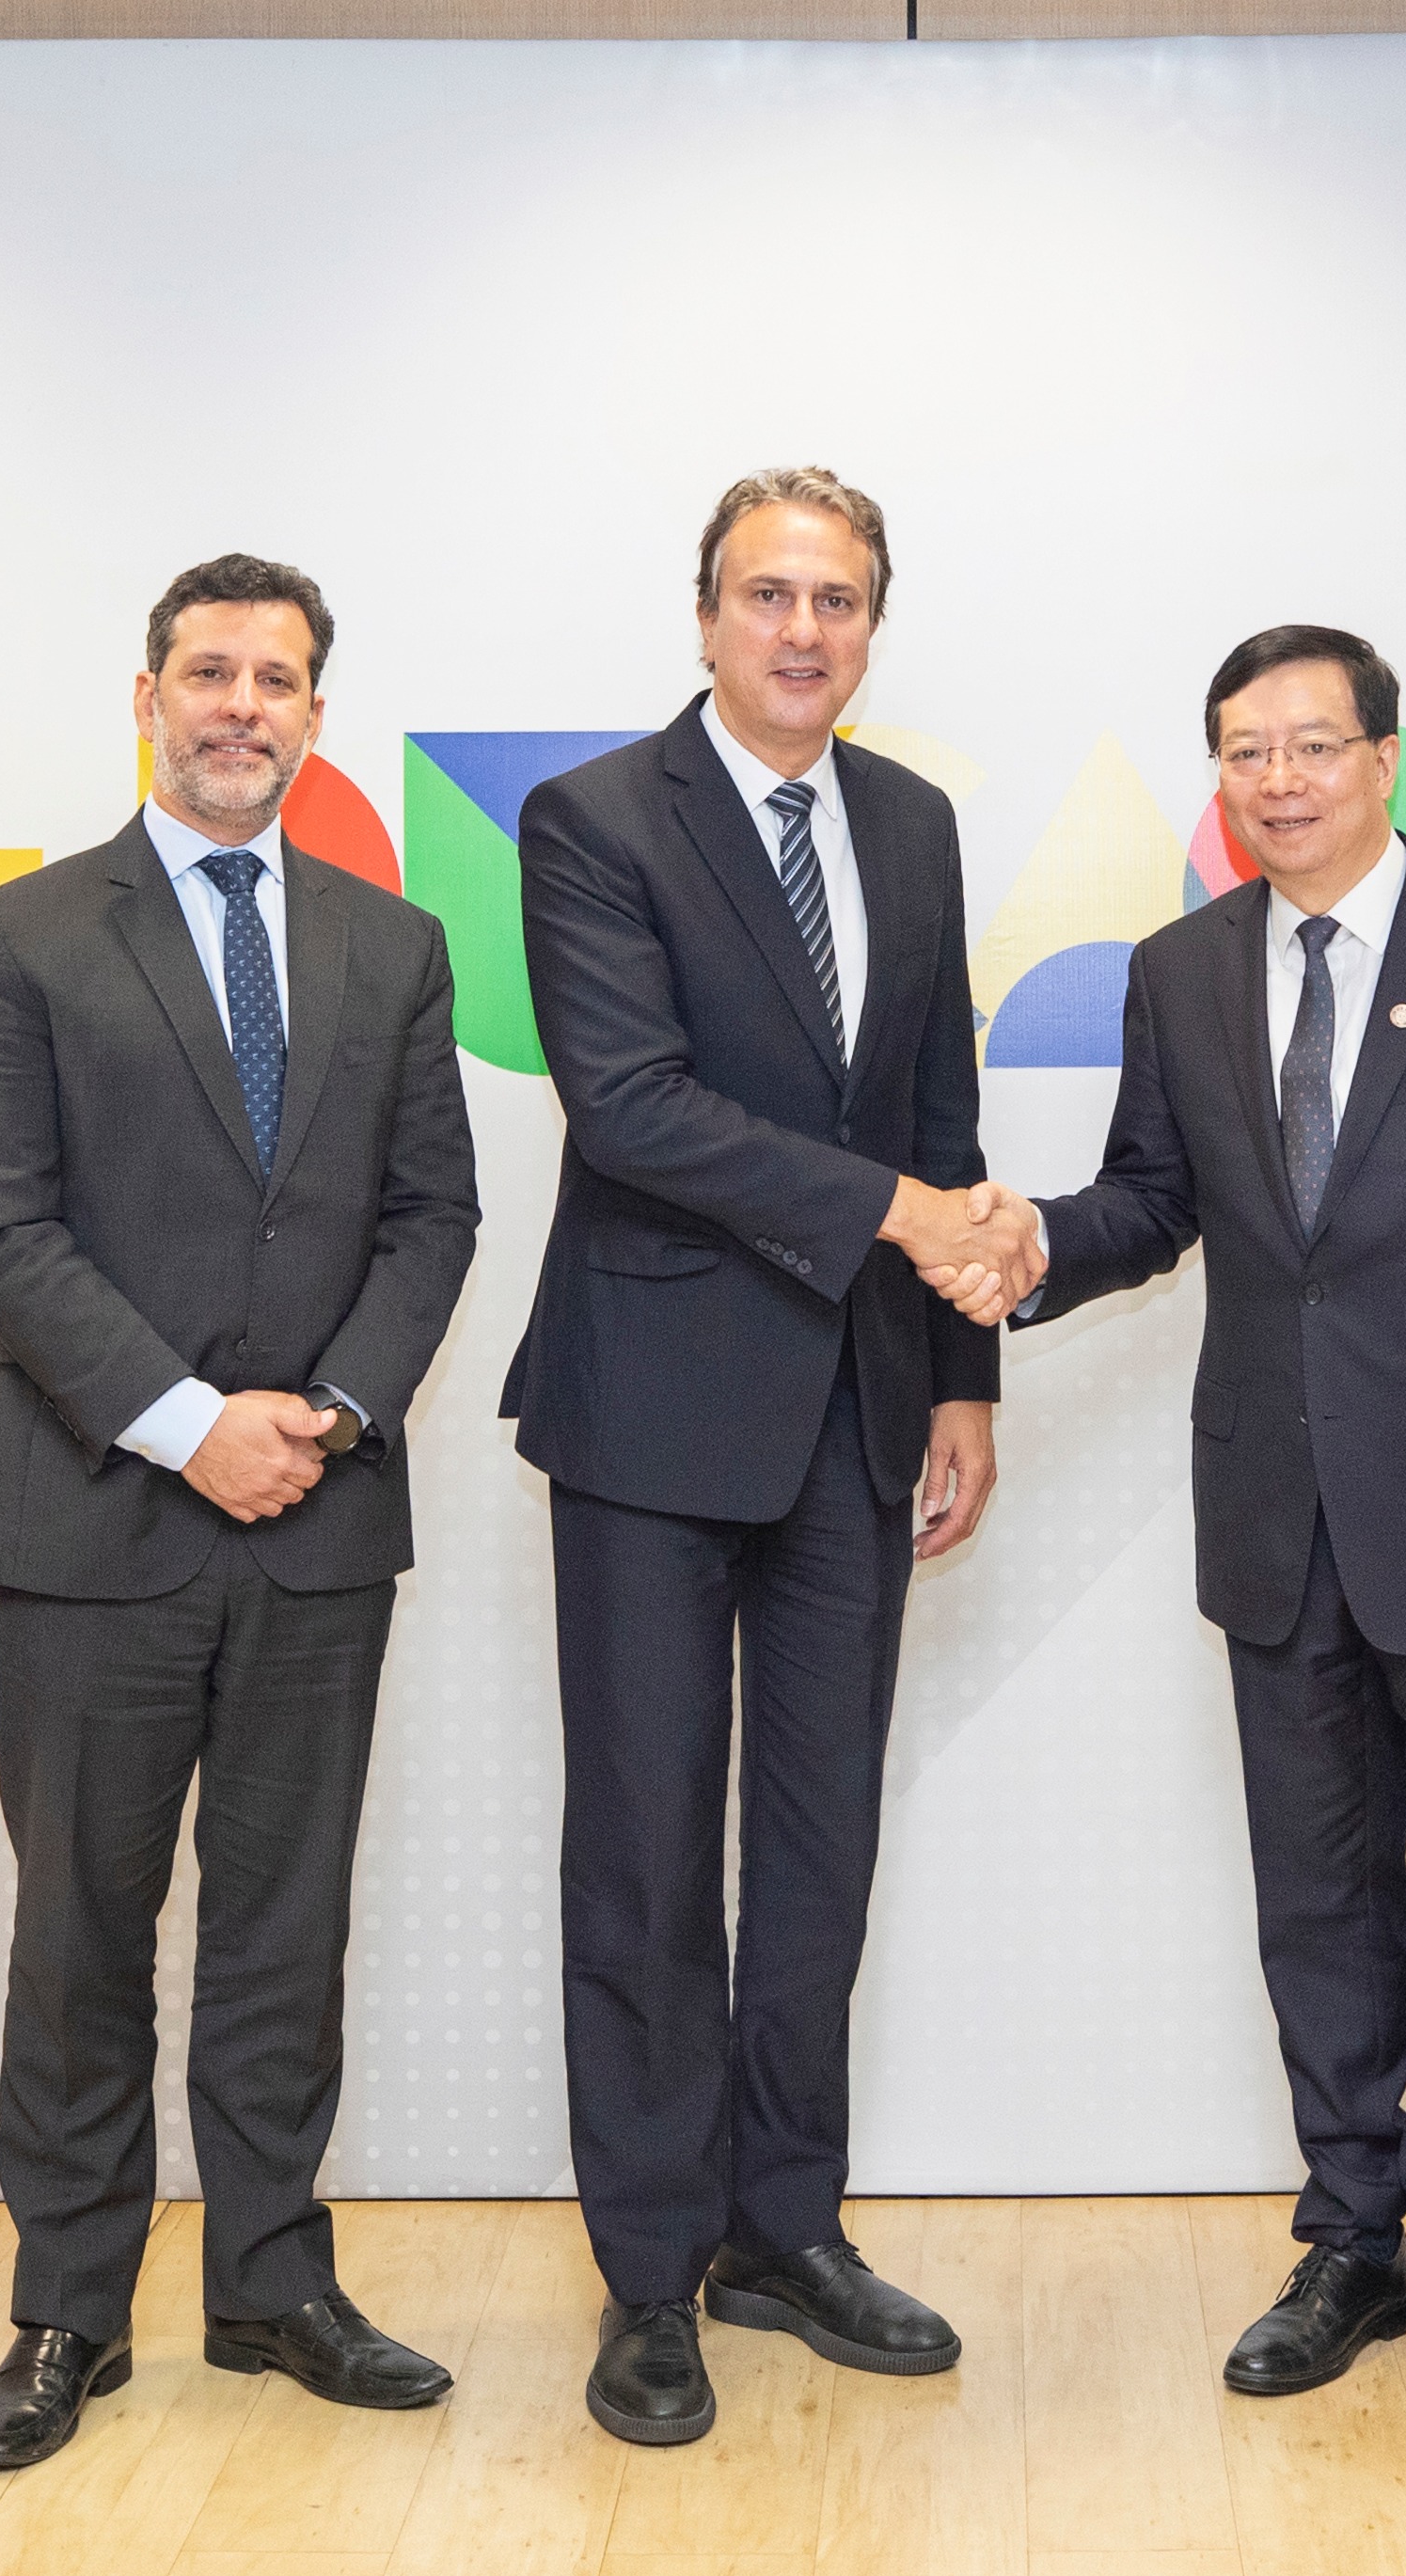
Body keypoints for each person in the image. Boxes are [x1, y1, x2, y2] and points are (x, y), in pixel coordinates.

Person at [938, 624, 1406, 2428]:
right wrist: (1035, 1244)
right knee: (1315, 1901)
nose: (1280, 780)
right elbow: (1155, 1200)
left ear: (1385, 760)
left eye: (1314, 745)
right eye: (1246, 751)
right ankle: (1351, 2240)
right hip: (1273, 1511)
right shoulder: (1181, 969)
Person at [502, 466, 1037, 2449]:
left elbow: (939, 1101)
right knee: (648, 1857)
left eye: (836, 600)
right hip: (650, 1413)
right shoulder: (594, 821)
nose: (802, 630)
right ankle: (651, 2274)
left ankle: (782, 2228)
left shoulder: (911, 822)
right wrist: (896, 1213)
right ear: (706, 614)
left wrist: (965, 1374)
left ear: (872, 626)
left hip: (860, 1413)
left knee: (819, 1847)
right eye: (766, 595)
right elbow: (630, 1107)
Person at [0, 552, 482, 2471]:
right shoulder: (18, 936)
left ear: (317, 712)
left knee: (282, 1931)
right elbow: (3, 1228)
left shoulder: (390, 946)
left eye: (278, 677)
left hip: (319, 1518)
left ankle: (268, 2286)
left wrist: (324, 1413)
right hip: (93, 1521)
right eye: (209, 672)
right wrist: (189, 1427)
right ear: (147, 696)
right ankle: (66, 2313)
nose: (242, 705)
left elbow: (434, 1216)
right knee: (80, 1937)